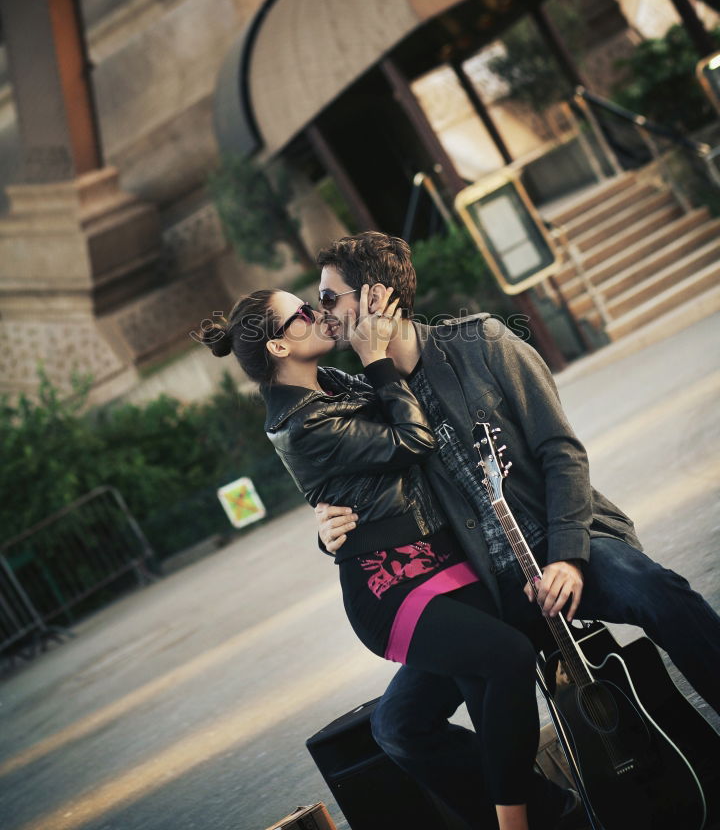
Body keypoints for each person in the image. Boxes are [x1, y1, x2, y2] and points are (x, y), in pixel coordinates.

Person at [312, 230, 720, 830]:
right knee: (397, 728)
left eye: (328, 299)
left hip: (563, 546)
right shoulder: (373, 407)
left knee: (659, 590)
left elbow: (562, 452)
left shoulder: (482, 342)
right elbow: (357, 500)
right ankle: (551, 811)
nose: (321, 314)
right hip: (480, 596)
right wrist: (329, 533)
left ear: (373, 296)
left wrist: (567, 557)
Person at [200, 286, 556, 830]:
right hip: (391, 586)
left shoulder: (326, 384)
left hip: (440, 558)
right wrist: (376, 359)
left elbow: (369, 456)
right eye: (301, 313)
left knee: (469, 686)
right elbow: (412, 439)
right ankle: (519, 822)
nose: (317, 314)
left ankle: (546, 810)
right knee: (505, 657)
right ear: (276, 348)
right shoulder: (300, 422)